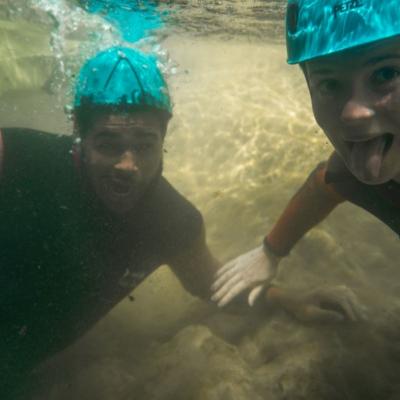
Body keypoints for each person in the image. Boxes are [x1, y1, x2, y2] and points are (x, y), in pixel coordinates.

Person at [0, 45, 361, 399]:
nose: (127, 165)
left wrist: (288, 301)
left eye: (144, 145)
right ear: (79, 135)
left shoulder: (172, 221)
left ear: (164, 139)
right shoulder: (16, 158)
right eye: (109, 144)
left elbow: (210, 284)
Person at [211, 0, 400, 314]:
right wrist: (270, 252)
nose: (353, 113)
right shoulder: (356, 168)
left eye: (386, 73)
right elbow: (323, 186)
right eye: (328, 84)